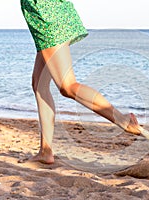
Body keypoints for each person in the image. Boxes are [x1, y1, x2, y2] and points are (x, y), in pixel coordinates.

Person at [20, 0, 142, 164]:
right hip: (45, 16)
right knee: (39, 85)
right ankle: (45, 151)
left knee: (67, 86)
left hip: (47, 16)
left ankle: (122, 119)